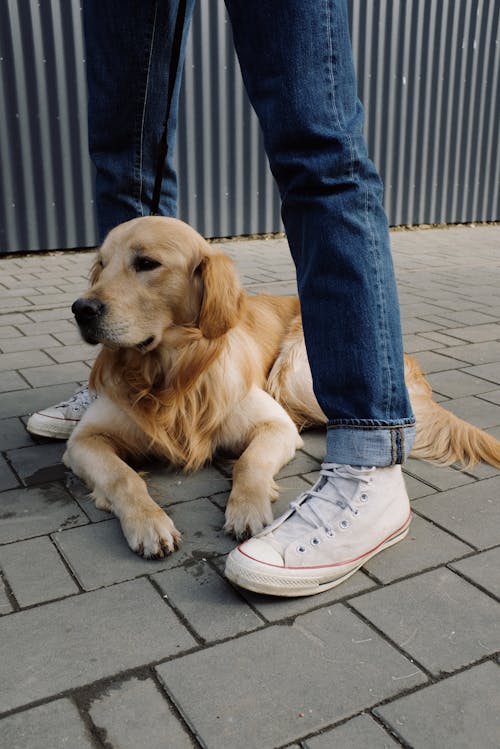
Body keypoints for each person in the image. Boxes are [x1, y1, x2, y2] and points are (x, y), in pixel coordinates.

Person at [27, 0, 416, 596]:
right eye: (101, 269)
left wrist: (252, 480)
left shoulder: (217, 309)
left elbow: (275, 431)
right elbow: (86, 450)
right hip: (137, 374)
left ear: (206, 290)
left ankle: (369, 455)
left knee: (317, 144)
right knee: (123, 154)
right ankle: (102, 386)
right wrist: (133, 499)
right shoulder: (114, 310)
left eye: (147, 265)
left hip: (290, 338)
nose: (93, 296)